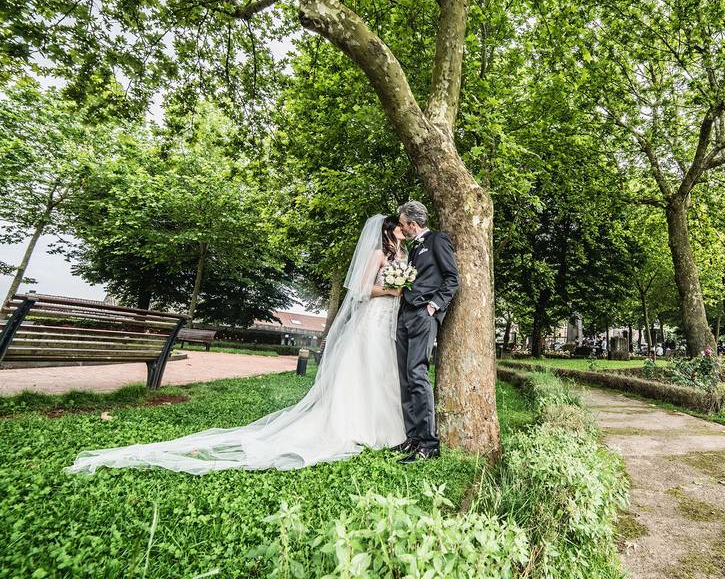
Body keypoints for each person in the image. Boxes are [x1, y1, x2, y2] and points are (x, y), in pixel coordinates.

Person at [66, 215, 415, 475]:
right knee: (363, 370)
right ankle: (356, 425)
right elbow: (360, 290)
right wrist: (391, 289)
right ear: (388, 231)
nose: (403, 232)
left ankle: (386, 426)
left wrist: (400, 287)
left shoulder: (401, 255)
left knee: (382, 371)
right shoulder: (376, 255)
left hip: (386, 322)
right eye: (399, 229)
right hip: (371, 318)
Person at [393, 201, 460, 463]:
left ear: (413, 223)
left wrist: (433, 307)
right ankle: (413, 438)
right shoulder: (412, 249)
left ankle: (429, 444)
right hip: (405, 315)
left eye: (402, 224)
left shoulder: (437, 240)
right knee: (404, 377)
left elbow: (452, 278)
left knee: (417, 375)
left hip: (423, 314)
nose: (401, 228)